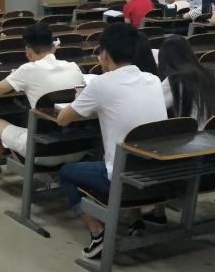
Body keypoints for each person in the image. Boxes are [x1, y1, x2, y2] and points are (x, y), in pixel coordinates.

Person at [56, 23, 168, 258]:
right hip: (158, 176)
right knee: (120, 151)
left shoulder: (101, 84)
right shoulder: (152, 79)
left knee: (66, 172)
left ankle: (97, 233)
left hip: (122, 180)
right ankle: (135, 220)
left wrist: (86, 101)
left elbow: (63, 119)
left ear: (105, 54)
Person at [0, 23, 85, 175]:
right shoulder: (73, 67)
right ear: (53, 47)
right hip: (79, 148)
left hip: (42, 152)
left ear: (28, 50)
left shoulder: (27, 70)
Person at [156, 36, 215, 121]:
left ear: (164, 60)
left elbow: (155, 106)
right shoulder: (212, 73)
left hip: (195, 129)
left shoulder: (174, 80)